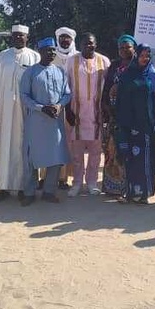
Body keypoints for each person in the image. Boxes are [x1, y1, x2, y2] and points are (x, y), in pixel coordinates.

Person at [19, 38, 72, 206]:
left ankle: (49, 191)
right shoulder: (31, 72)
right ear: (40, 52)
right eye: (48, 50)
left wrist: (59, 105)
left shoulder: (60, 71)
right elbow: (24, 96)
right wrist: (41, 108)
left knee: (55, 157)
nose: (51, 53)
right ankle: (29, 192)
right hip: (36, 122)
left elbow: (67, 94)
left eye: (53, 50)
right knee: (32, 158)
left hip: (55, 123)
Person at [0, 25, 40, 201]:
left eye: (22, 36)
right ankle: (3, 187)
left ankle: (22, 187)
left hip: (25, 110)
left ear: (27, 38)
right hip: (4, 109)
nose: (19, 38)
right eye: (16, 35)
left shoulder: (34, 56)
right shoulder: (3, 56)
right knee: (3, 146)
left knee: (22, 147)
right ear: (12, 37)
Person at [115, 44, 155, 203]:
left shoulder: (154, 75)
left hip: (150, 126)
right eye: (142, 55)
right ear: (136, 55)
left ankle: (145, 194)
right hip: (132, 124)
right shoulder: (127, 75)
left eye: (148, 55)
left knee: (148, 160)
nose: (145, 58)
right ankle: (131, 192)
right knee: (132, 157)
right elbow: (121, 102)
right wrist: (124, 125)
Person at [65, 33, 110, 196]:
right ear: (80, 45)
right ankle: (77, 183)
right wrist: (68, 109)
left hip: (96, 113)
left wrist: (106, 109)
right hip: (76, 112)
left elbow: (109, 86)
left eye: (91, 43)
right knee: (76, 152)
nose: (88, 46)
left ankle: (92, 182)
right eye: (85, 43)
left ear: (96, 44)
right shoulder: (72, 61)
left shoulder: (104, 61)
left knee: (95, 152)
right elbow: (66, 85)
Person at [101, 35, 136, 196]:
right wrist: (106, 108)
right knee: (111, 149)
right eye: (121, 47)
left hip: (132, 117)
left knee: (128, 150)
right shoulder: (114, 65)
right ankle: (111, 186)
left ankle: (127, 187)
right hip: (114, 115)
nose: (123, 50)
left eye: (127, 47)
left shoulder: (138, 66)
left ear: (134, 48)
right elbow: (106, 87)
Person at [54, 26, 78, 189]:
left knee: (68, 142)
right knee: (50, 141)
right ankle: (46, 177)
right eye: (62, 37)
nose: (64, 40)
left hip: (72, 106)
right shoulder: (50, 55)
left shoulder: (77, 57)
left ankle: (63, 179)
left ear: (72, 40)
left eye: (67, 37)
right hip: (51, 106)